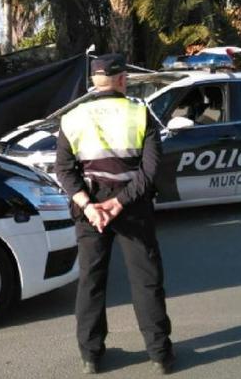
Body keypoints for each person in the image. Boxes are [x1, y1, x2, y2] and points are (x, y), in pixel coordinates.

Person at [55, 53, 174, 375]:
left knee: (91, 282)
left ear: (94, 81)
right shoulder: (139, 113)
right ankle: (160, 354)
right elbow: (150, 171)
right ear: (122, 79)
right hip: (132, 205)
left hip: (91, 209)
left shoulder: (73, 117)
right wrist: (120, 203)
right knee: (146, 279)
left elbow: (63, 170)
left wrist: (88, 205)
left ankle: (91, 355)